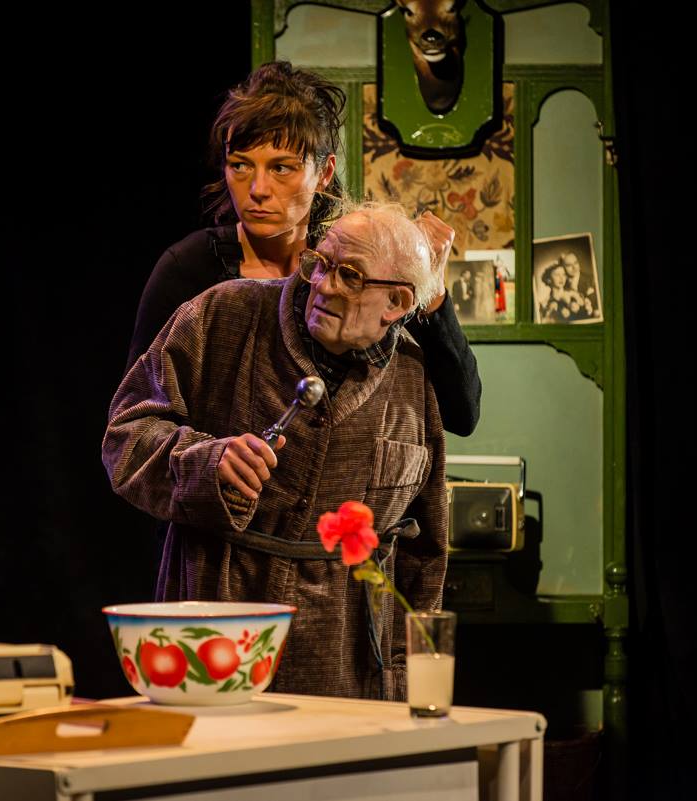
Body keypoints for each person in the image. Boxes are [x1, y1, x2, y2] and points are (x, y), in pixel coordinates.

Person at [104, 201, 449, 702]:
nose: (323, 285)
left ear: (396, 302)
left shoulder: (414, 377)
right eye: (321, 263)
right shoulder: (222, 315)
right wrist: (204, 464)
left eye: (350, 275)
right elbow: (124, 437)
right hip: (219, 638)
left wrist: (409, 679)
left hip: (349, 665)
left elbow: (426, 549)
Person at [125, 61, 482, 437]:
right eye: (240, 165)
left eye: (281, 168)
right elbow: (135, 419)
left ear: (324, 172)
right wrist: (209, 457)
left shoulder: (357, 269)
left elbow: (461, 414)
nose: (258, 189)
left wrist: (431, 288)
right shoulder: (190, 269)